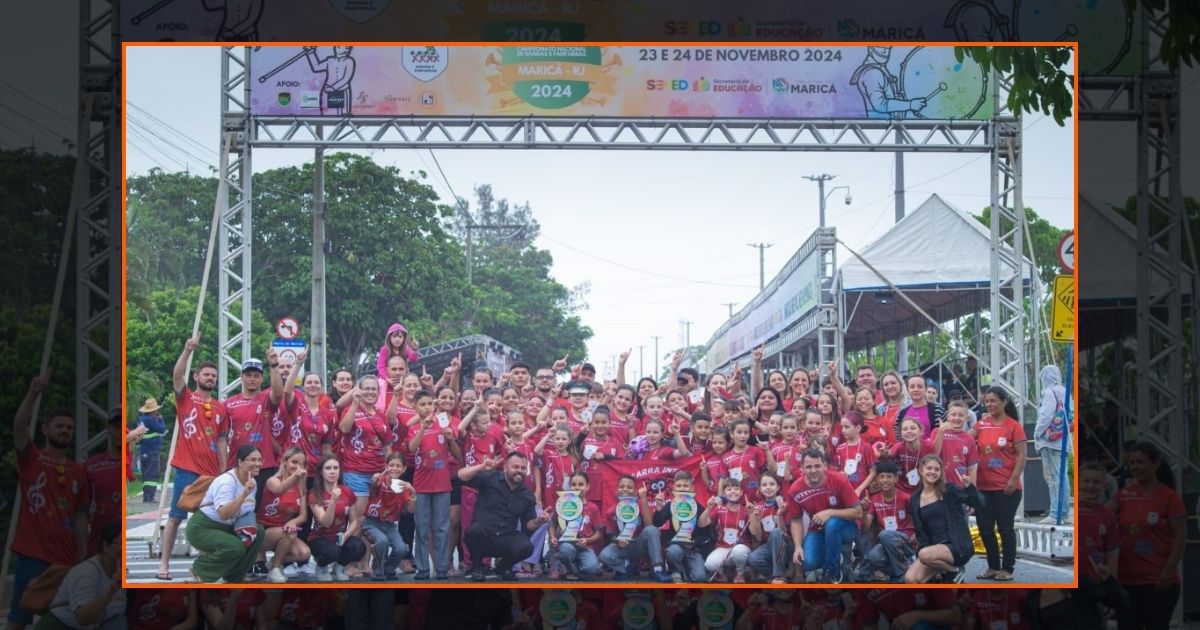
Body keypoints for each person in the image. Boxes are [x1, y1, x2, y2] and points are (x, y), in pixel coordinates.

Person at [10, 373, 90, 630]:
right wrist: (33, 393)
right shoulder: (31, 460)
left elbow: (80, 517)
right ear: (45, 429)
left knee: (61, 622)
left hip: (65, 559)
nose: (65, 431)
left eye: (69, 428)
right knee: (18, 619)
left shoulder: (79, 471)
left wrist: (83, 555)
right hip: (33, 554)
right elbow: (20, 428)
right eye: (59, 426)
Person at [158, 336, 229, 582]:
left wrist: (223, 470)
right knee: (176, 518)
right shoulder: (186, 398)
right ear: (197, 376)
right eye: (206, 375)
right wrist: (187, 350)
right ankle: (164, 564)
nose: (210, 378)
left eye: (213, 376)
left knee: (206, 523)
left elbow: (222, 441)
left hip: (211, 474)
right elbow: (177, 376)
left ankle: (202, 569)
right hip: (187, 470)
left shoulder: (221, 408)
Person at [1112, 441, 1186, 630]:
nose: (1135, 467)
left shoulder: (1169, 497)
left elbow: (1180, 536)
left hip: (1159, 583)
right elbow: (1103, 514)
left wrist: (1168, 571)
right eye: (1132, 463)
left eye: (1141, 462)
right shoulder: (1124, 495)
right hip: (1127, 582)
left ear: (1156, 464)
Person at [458, 452, 551, 581]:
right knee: (474, 531)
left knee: (526, 546)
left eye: (523, 468)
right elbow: (461, 476)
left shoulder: (527, 495)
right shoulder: (490, 477)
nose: (519, 471)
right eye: (515, 467)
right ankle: (477, 567)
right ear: (506, 467)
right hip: (483, 536)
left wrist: (538, 521)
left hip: (506, 539)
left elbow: (528, 526)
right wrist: (480, 467)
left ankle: (503, 567)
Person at [184, 444, 265, 584]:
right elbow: (224, 514)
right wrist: (244, 494)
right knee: (235, 547)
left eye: (259, 460)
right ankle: (201, 569)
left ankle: (235, 575)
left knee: (258, 532)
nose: (257, 464)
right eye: (252, 460)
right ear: (240, 462)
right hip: (203, 527)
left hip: (227, 527)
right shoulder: (226, 481)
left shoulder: (253, 482)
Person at [406, 388, 460, 580]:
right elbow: (411, 449)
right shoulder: (413, 426)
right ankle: (422, 569)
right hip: (420, 486)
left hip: (443, 485)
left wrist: (451, 439)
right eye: (423, 404)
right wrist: (423, 427)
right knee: (421, 528)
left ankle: (442, 567)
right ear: (415, 406)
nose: (427, 407)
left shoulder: (443, 422)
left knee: (442, 528)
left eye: (430, 404)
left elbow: (458, 455)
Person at [786, 449, 863, 583]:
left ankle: (831, 571)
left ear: (825, 466)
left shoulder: (839, 480)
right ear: (802, 468)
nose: (813, 470)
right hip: (818, 529)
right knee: (808, 563)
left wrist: (830, 512)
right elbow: (796, 520)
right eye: (809, 467)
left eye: (817, 466)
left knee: (832, 523)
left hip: (847, 527)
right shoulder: (795, 489)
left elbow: (858, 512)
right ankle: (838, 555)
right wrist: (798, 546)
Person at [974, 387, 1027, 581]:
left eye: (993, 401)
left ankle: (1008, 569)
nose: (989, 404)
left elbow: (1022, 455)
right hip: (982, 488)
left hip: (1006, 488)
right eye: (986, 401)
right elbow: (965, 438)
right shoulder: (981, 424)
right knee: (985, 529)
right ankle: (993, 567)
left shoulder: (1014, 426)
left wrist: (1013, 480)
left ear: (1004, 402)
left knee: (1005, 528)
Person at [904, 454, 983, 584]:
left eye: (937, 469)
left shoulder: (949, 490)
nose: (932, 472)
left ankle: (955, 571)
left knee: (924, 554)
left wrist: (969, 487)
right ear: (920, 470)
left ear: (941, 473)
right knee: (911, 579)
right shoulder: (915, 499)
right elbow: (921, 531)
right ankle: (942, 576)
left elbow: (979, 504)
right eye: (929, 468)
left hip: (956, 546)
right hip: (932, 549)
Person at [223, 352, 285, 509]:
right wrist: (223, 464)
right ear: (242, 377)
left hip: (263, 465)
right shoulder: (229, 403)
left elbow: (278, 393)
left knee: (260, 510)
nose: (252, 379)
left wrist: (273, 365)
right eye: (248, 375)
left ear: (262, 379)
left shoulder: (266, 399)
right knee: (236, 507)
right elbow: (222, 438)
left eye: (256, 376)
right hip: (237, 464)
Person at [34, 523, 124, 630]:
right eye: (122, 544)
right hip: (60, 626)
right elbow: (82, 618)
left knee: (119, 620)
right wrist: (112, 590)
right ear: (106, 546)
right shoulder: (87, 572)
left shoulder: (127, 571)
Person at [597, 476, 673, 582]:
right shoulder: (611, 511)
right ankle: (626, 568)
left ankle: (657, 570)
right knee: (604, 555)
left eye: (629, 487)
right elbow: (611, 536)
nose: (625, 489)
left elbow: (649, 524)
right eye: (622, 486)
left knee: (652, 530)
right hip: (622, 547)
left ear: (635, 491)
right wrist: (617, 541)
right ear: (616, 491)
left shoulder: (640, 504)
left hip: (638, 545)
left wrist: (644, 498)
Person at [307, 454, 367, 582]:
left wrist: (346, 535)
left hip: (340, 536)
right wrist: (333, 500)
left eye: (336, 468)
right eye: (328, 468)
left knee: (359, 547)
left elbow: (354, 521)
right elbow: (326, 522)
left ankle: (340, 566)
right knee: (332, 551)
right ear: (321, 472)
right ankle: (321, 566)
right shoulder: (314, 493)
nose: (332, 471)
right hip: (319, 538)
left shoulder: (347, 491)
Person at [256, 447, 311, 583]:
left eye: (301, 464)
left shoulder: (301, 486)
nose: (298, 466)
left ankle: (273, 562)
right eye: (294, 462)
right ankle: (274, 570)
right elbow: (279, 489)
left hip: (283, 529)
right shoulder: (273, 480)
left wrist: (293, 522)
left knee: (304, 553)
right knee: (289, 534)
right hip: (263, 530)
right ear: (284, 462)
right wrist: (296, 476)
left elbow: (303, 515)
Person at [858, 460, 915, 583]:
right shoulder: (874, 500)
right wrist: (864, 510)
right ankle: (903, 571)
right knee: (873, 556)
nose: (885, 480)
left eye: (889, 477)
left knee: (885, 534)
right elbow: (866, 527)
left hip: (906, 540)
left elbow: (918, 519)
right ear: (877, 479)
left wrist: (916, 537)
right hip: (886, 542)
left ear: (896, 479)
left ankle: (901, 577)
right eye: (882, 477)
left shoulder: (906, 498)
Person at [363, 452, 416, 581]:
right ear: (386, 466)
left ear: (404, 469)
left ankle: (388, 568)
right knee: (382, 541)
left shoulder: (403, 486)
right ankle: (378, 569)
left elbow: (410, 510)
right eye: (391, 465)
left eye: (398, 466)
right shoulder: (379, 480)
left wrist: (413, 492)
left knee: (402, 548)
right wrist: (375, 481)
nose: (394, 468)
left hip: (389, 525)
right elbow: (375, 486)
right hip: (371, 523)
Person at [653, 470, 712, 583]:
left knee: (700, 578)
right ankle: (676, 570)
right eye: (679, 486)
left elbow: (706, 534)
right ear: (674, 488)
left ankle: (686, 569)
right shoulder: (671, 505)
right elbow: (657, 523)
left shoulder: (698, 508)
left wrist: (693, 542)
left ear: (692, 488)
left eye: (686, 485)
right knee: (673, 552)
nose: (682, 488)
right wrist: (659, 508)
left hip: (693, 550)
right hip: (676, 547)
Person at [83, 411, 125, 557]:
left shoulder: (131, 465)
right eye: (117, 427)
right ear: (108, 429)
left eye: (124, 427)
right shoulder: (91, 466)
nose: (121, 432)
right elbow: (81, 512)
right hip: (99, 546)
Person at [548, 471, 604, 581]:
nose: (577, 487)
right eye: (573, 484)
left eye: (581, 484)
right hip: (568, 545)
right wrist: (552, 537)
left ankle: (573, 567)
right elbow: (552, 523)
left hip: (585, 547)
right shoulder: (562, 504)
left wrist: (587, 540)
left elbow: (599, 533)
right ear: (569, 486)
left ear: (588, 486)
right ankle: (567, 564)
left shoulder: (593, 508)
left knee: (592, 568)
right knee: (565, 550)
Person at [1034, 364, 1071, 523]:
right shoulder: (1066, 392)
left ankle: (1055, 513)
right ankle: (1063, 512)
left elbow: (1045, 417)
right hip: (1064, 440)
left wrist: (1036, 434)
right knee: (1063, 476)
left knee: (1052, 477)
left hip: (1050, 442)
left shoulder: (1049, 393)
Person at [699, 478, 752, 583]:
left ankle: (740, 574)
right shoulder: (719, 509)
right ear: (723, 492)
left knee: (739, 552)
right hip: (723, 547)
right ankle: (724, 575)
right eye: (729, 489)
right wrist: (708, 508)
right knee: (710, 564)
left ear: (741, 492)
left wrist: (751, 514)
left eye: (736, 489)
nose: (733, 491)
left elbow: (756, 533)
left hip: (742, 548)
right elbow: (701, 524)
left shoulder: (746, 509)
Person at [746, 471, 791, 584]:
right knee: (753, 558)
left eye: (772, 484)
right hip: (769, 545)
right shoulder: (758, 506)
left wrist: (780, 515)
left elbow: (784, 531)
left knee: (776, 532)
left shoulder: (785, 504)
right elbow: (758, 536)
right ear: (760, 489)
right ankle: (775, 577)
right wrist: (753, 516)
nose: (768, 487)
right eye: (764, 485)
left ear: (778, 487)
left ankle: (779, 576)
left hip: (787, 543)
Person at [135, 397, 167, 503]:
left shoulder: (142, 419)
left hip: (144, 450)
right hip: (152, 450)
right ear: (153, 411)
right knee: (152, 474)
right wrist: (160, 419)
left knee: (146, 474)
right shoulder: (150, 420)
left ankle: (146, 496)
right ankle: (150, 497)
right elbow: (162, 429)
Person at [895, 374, 945, 440]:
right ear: (908, 390)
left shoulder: (937, 410)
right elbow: (898, 436)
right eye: (912, 387)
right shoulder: (902, 413)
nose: (916, 389)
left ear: (925, 389)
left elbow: (946, 434)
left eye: (920, 386)